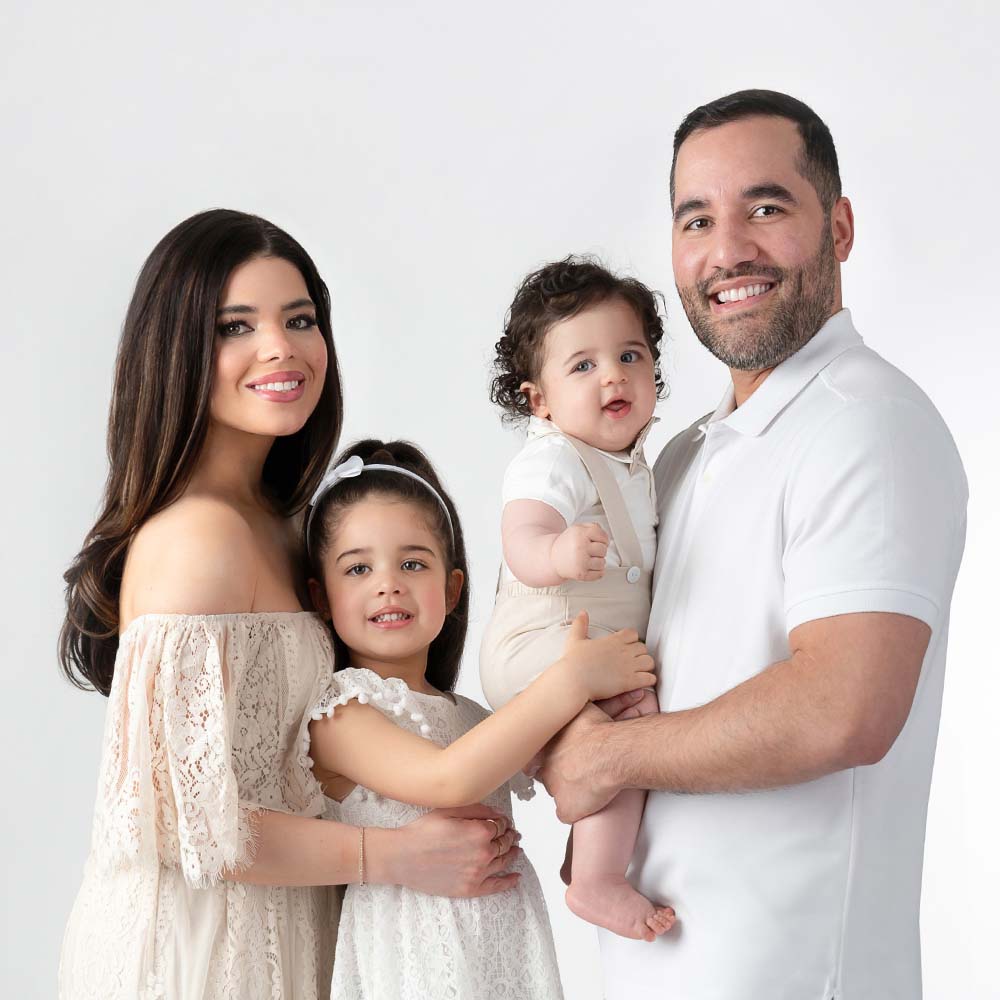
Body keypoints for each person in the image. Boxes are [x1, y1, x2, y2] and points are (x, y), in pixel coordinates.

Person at [538, 90, 968, 999]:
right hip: (662, 966)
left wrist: (606, 758)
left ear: (840, 227)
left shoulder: (867, 425)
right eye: (698, 218)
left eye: (765, 208)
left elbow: (845, 705)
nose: (728, 250)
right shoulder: (690, 452)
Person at [58, 210, 526, 1000]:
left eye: (300, 319)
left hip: (287, 927)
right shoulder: (197, 539)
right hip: (201, 954)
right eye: (235, 326)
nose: (280, 348)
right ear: (175, 351)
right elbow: (186, 827)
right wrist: (391, 857)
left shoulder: (284, 525)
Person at [302, 438, 657, 1000]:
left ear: (451, 589)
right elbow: (448, 778)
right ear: (321, 596)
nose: (387, 582)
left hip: (506, 952)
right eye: (358, 568)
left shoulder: (473, 717)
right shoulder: (341, 712)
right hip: (415, 964)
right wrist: (572, 679)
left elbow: (576, 781)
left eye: (412, 563)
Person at [480, 257, 675, 942]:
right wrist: (555, 554)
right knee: (626, 733)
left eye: (630, 355)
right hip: (542, 644)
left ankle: (590, 855)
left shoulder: (633, 464)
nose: (613, 375)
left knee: (626, 727)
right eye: (583, 366)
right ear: (540, 401)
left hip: (578, 654)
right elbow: (520, 531)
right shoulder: (553, 456)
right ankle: (596, 879)